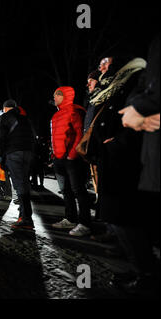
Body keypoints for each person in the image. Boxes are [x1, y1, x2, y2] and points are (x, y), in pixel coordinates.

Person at [87, 54, 149, 293]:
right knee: (115, 215)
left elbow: (143, 114)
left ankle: (146, 273)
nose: (100, 66)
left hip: (125, 157)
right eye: (100, 63)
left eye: (105, 63)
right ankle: (137, 267)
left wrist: (118, 141)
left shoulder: (134, 80)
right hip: (110, 155)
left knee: (126, 216)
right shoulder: (111, 87)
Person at [113, 36, 159, 294]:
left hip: (133, 147)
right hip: (135, 145)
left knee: (128, 214)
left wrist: (141, 110)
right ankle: (145, 271)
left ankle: (147, 273)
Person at [50, 87, 91, 236]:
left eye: (57, 95)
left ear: (65, 96)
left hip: (72, 160)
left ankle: (85, 223)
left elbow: (80, 133)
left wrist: (72, 155)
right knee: (66, 191)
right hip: (60, 159)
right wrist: (55, 156)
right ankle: (70, 218)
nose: (54, 98)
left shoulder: (75, 110)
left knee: (78, 190)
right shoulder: (56, 115)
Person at [0, 99, 34, 229]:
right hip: (27, 153)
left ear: (5, 108)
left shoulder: (4, 117)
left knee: (19, 185)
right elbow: (32, 136)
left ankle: (26, 218)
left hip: (14, 153)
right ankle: (25, 215)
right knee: (24, 183)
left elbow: (1, 137)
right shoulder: (25, 118)